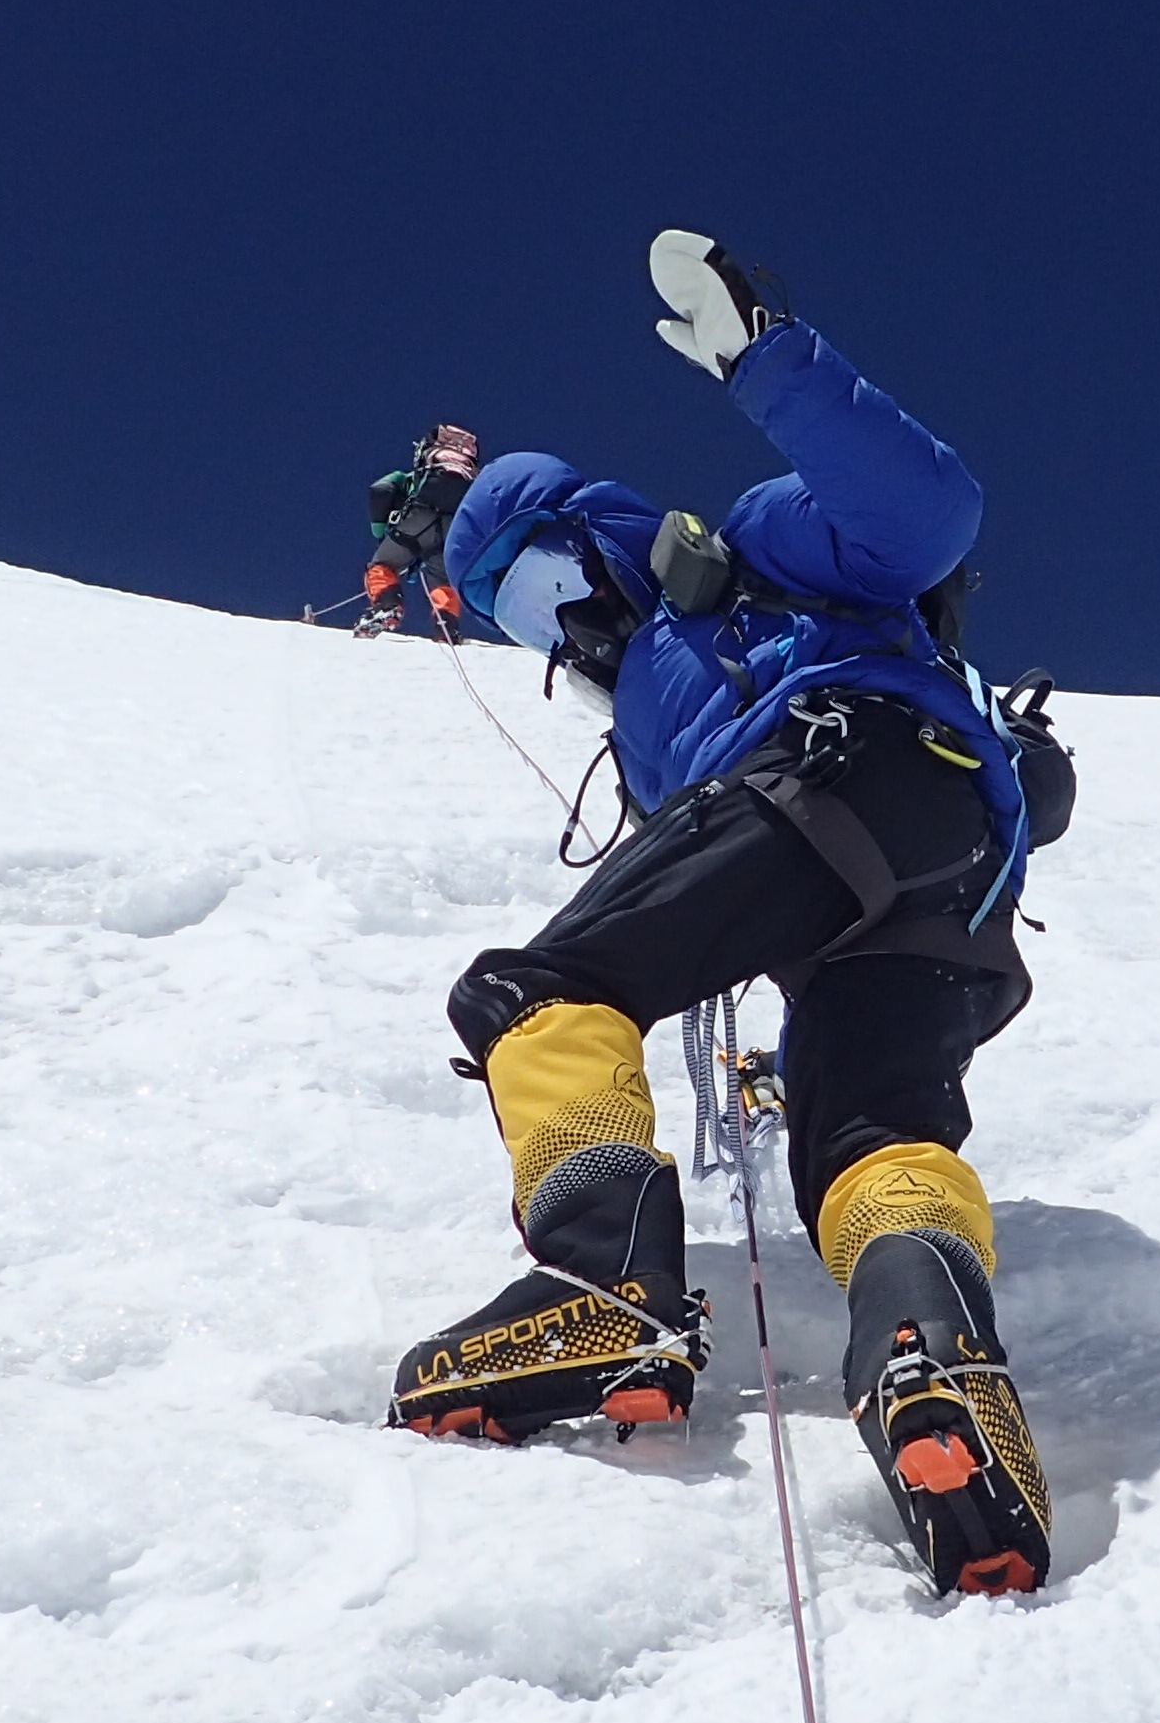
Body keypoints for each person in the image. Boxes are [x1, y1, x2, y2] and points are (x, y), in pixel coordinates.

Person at [385, 229, 1072, 1597]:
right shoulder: (651, 702)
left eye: (546, 582)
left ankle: (601, 1283)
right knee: (871, 1136)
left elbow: (924, 513)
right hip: (946, 885)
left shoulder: (754, 554)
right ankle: (933, 1367)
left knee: (537, 992)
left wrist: (765, 360)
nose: (555, 628)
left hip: (837, 772)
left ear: (600, 536)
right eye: (518, 618)